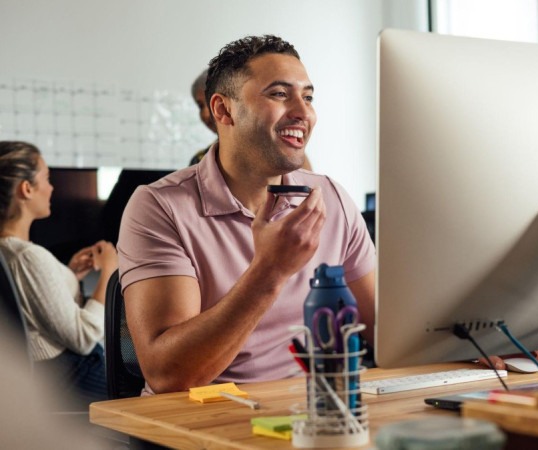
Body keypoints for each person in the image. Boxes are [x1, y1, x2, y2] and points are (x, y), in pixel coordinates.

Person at [118, 35, 374, 395]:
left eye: (309, 97)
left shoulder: (330, 196)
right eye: (280, 94)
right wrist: (271, 269)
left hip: (314, 412)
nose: (303, 112)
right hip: (206, 419)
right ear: (223, 111)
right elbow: (168, 376)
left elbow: (384, 329)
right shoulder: (159, 206)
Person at [0, 140, 118, 409]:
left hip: (52, 376)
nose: (52, 187)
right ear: (26, 188)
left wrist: (69, 275)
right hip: (72, 378)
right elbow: (84, 337)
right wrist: (109, 274)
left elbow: (33, 307)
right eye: (47, 178)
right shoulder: (28, 256)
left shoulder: (9, 251)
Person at [189, 67, 313, 170]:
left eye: (308, 97)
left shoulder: (282, 152)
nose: (206, 113)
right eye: (200, 105)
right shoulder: (199, 161)